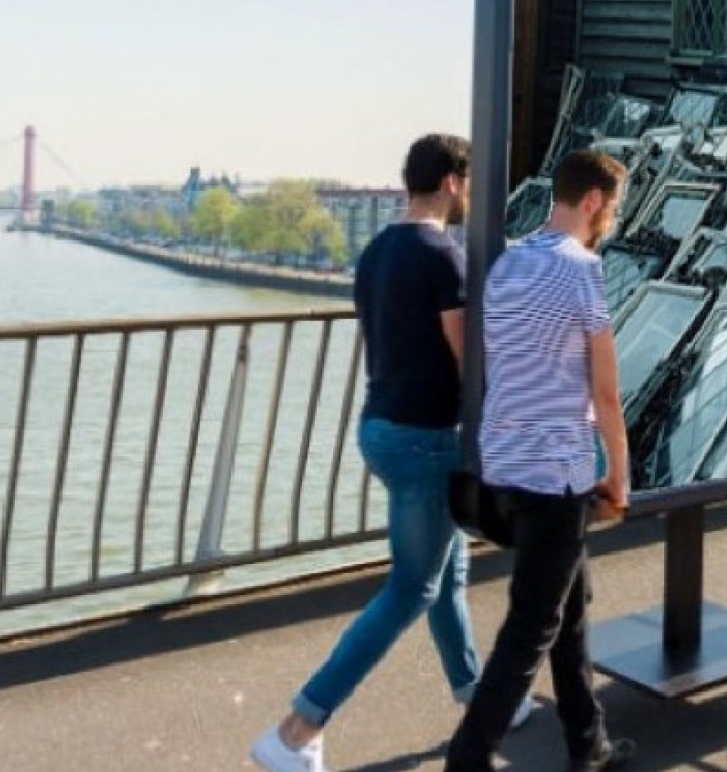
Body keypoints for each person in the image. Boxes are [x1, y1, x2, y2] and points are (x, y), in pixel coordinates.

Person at [251, 135, 533, 772]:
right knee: (412, 588)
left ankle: (481, 697)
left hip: (380, 427)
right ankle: (295, 730)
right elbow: (468, 363)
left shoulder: (375, 252)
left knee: (447, 572)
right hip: (425, 439)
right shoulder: (445, 257)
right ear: (455, 183)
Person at [445, 150, 635, 772]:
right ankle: (466, 761)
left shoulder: (507, 266)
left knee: (569, 609)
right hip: (555, 476)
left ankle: (589, 746)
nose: (611, 218)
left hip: (502, 469)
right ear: (591, 203)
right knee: (529, 628)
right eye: (612, 207)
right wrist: (619, 476)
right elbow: (605, 392)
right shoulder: (582, 270)